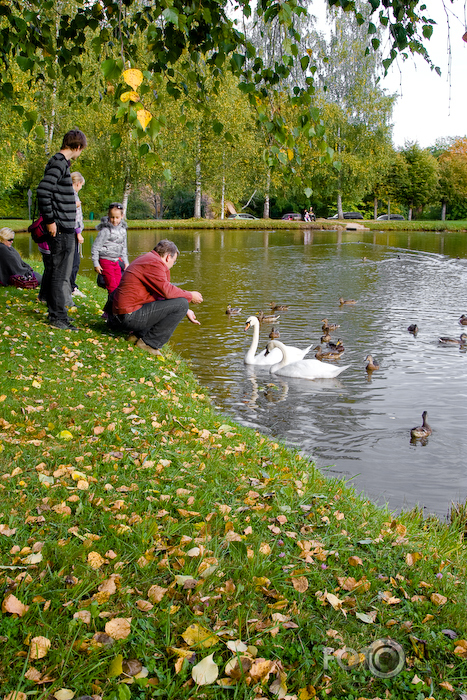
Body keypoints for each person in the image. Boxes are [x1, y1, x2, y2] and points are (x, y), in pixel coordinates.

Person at [108, 239, 203, 357]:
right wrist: (190, 296)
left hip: (120, 314)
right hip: (127, 316)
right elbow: (167, 291)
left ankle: (137, 336)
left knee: (179, 304)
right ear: (168, 257)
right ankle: (149, 344)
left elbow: (161, 295)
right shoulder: (154, 264)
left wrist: (186, 310)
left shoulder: (147, 258)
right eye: (174, 261)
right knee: (181, 304)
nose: (173, 265)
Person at [37, 128, 87, 331]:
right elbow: (43, 191)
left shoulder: (61, 164)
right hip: (61, 228)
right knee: (60, 273)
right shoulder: (58, 162)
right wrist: (50, 221)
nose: (80, 153)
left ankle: (58, 312)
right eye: (81, 150)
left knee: (61, 272)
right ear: (77, 147)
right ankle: (58, 317)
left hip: (66, 227)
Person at [92, 202, 129, 293]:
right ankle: (112, 306)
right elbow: (95, 247)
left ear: (122, 216)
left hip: (116, 261)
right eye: (112, 217)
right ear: (108, 215)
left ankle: (115, 305)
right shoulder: (105, 231)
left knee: (120, 285)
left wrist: (126, 262)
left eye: (117, 217)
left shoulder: (123, 231)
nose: (114, 220)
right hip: (106, 261)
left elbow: (124, 248)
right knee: (112, 287)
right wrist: (96, 263)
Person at [70, 171, 86, 299]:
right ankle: (72, 287)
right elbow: (75, 217)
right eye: (81, 185)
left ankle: (70, 286)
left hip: (71, 232)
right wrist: (79, 233)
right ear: (78, 183)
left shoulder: (68, 194)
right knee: (75, 262)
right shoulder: (73, 197)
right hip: (73, 233)